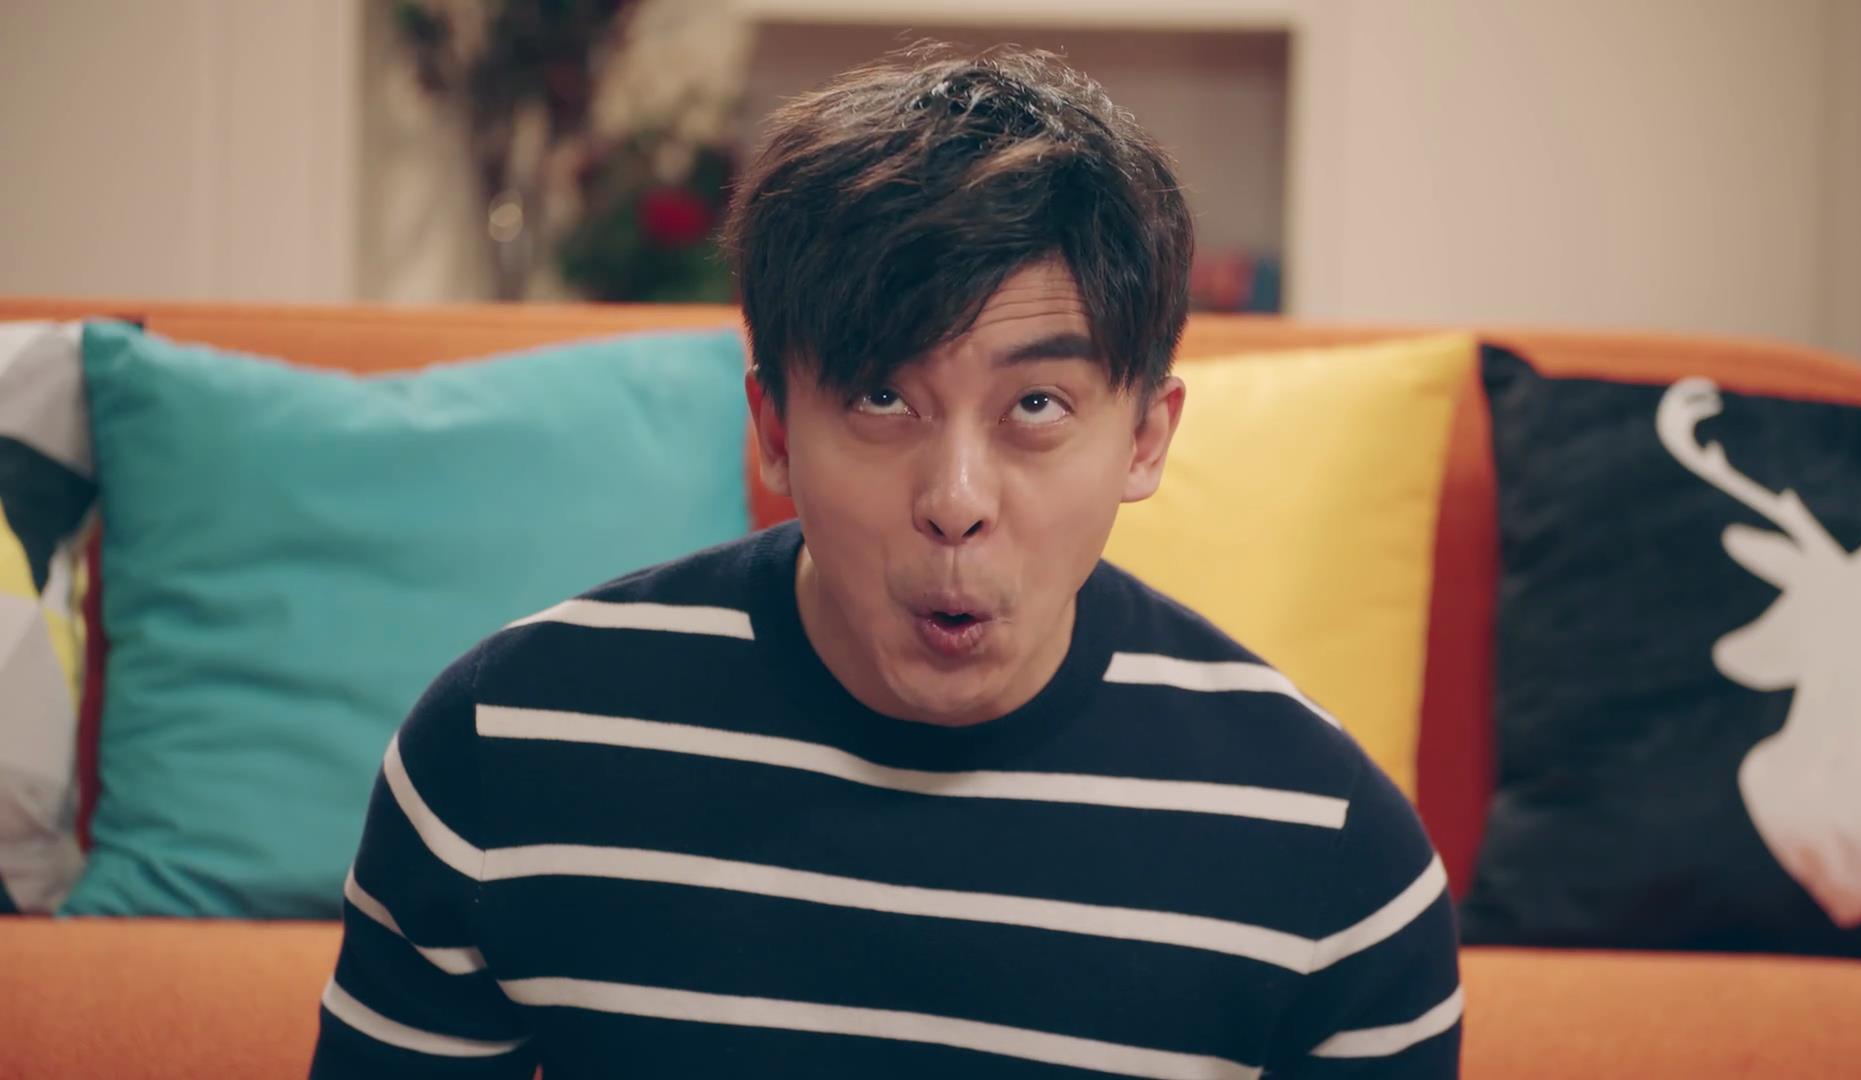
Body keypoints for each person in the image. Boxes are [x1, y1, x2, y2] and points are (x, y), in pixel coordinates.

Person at [310, 44, 1461, 1079]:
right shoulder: (502, 748)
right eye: (880, 397)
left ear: (1146, 439)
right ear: (774, 427)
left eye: (1038, 405)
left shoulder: (1333, 854)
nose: (955, 502)